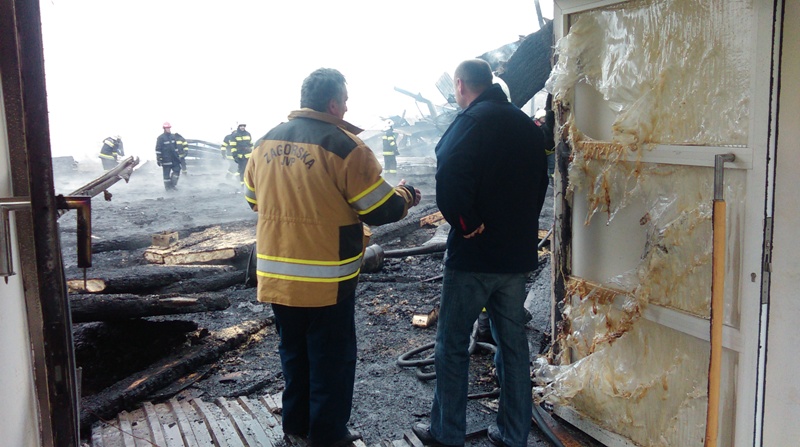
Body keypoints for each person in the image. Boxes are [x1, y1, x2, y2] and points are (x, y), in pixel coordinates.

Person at [243, 67, 421, 447]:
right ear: (333, 104)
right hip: (326, 278)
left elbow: (253, 200)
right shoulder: (345, 147)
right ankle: (327, 436)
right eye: (345, 101)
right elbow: (379, 209)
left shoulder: (264, 142)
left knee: (293, 352)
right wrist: (405, 195)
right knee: (331, 359)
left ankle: (296, 425)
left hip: (276, 274)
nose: (347, 108)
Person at [411, 59, 548, 447]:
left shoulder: (471, 121)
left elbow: (448, 173)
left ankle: (447, 433)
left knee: (452, 345)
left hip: (474, 257)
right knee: (513, 347)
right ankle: (512, 434)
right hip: (516, 258)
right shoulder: (526, 125)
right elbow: (541, 182)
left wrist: (466, 223)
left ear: (460, 85)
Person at [155, 122, 188, 190]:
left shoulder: (173, 137)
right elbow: (158, 149)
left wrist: (178, 156)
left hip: (174, 158)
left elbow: (175, 147)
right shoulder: (160, 138)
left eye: (169, 128)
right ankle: (168, 188)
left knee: (177, 170)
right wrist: (159, 159)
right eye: (167, 128)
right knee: (166, 175)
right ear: (164, 129)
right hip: (166, 159)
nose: (168, 129)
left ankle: (173, 185)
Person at [534, 107, 556, 181]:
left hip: (550, 150)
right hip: (541, 151)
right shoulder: (535, 127)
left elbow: (550, 118)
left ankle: (551, 181)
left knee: (552, 168)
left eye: (544, 117)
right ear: (538, 118)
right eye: (542, 118)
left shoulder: (547, 126)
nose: (544, 119)